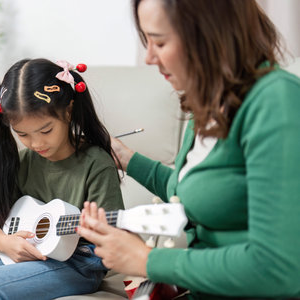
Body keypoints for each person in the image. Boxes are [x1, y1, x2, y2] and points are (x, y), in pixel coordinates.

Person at [77, 0, 300, 299]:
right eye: (146, 41)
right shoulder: (208, 104)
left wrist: (147, 260)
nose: (148, 57)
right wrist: (126, 158)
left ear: (209, 35)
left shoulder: (276, 102)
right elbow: (192, 191)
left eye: (159, 41)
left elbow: (277, 269)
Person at [0, 58, 124, 299]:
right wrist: (5, 243)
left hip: (80, 263)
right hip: (28, 256)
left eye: (46, 130)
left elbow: (113, 234)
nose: (37, 143)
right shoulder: (23, 163)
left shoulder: (95, 162)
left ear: (68, 110)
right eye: (22, 134)